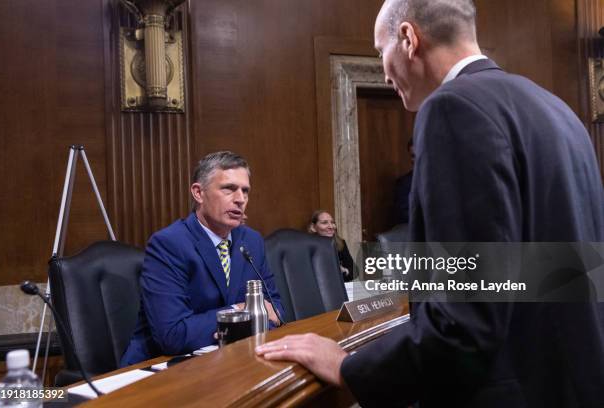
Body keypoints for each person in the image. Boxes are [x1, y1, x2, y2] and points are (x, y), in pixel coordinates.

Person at [256, 1, 604, 407]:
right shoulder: (557, 110)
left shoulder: (452, 108)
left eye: (380, 52)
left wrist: (349, 368)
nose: (384, 72)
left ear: (408, 38)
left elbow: (464, 320)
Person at [121, 151, 284, 366]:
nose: (240, 199)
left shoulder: (251, 241)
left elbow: (276, 310)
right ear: (198, 193)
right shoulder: (169, 244)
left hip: (229, 362)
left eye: (245, 191)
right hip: (161, 371)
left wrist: (241, 321)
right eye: (229, 189)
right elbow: (173, 335)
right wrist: (241, 313)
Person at [308, 210, 354, 282]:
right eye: (324, 223)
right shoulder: (306, 246)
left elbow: (354, 271)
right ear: (313, 228)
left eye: (332, 222)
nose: (331, 226)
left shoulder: (341, 242)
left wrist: (345, 271)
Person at [392, 137, 414, 224]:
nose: (416, 159)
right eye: (413, 156)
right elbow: (404, 215)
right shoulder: (403, 184)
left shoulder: (442, 181)